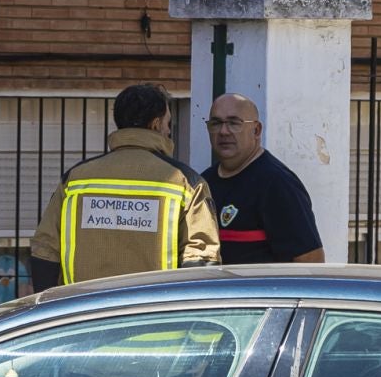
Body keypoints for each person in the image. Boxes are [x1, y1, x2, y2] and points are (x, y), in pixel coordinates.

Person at [29, 83, 220, 291]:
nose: (168, 130)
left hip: (82, 315)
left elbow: (45, 250)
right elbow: (201, 258)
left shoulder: (75, 180)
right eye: (168, 123)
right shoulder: (186, 182)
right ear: (156, 124)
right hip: (156, 315)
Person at [201, 93, 325, 265]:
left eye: (234, 123)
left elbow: (310, 261)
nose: (223, 131)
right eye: (216, 123)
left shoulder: (277, 184)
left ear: (256, 130)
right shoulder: (204, 183)